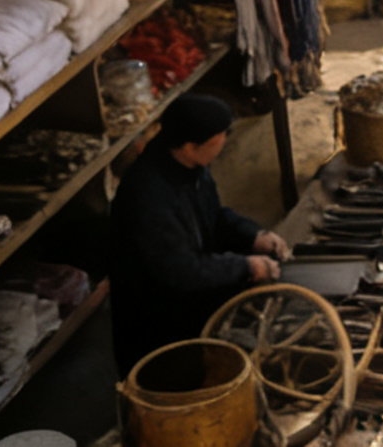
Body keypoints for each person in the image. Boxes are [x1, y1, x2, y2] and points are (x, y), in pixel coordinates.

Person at [108, 94, 285, 370]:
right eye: (218, 140)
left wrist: (253, 236)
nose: (224, 144)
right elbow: (180, 269)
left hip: (189, 295)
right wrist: (245, 266)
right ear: (190, 147)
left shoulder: (190, 167)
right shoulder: (147, 196)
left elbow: (213, 216)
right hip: (159, 324)